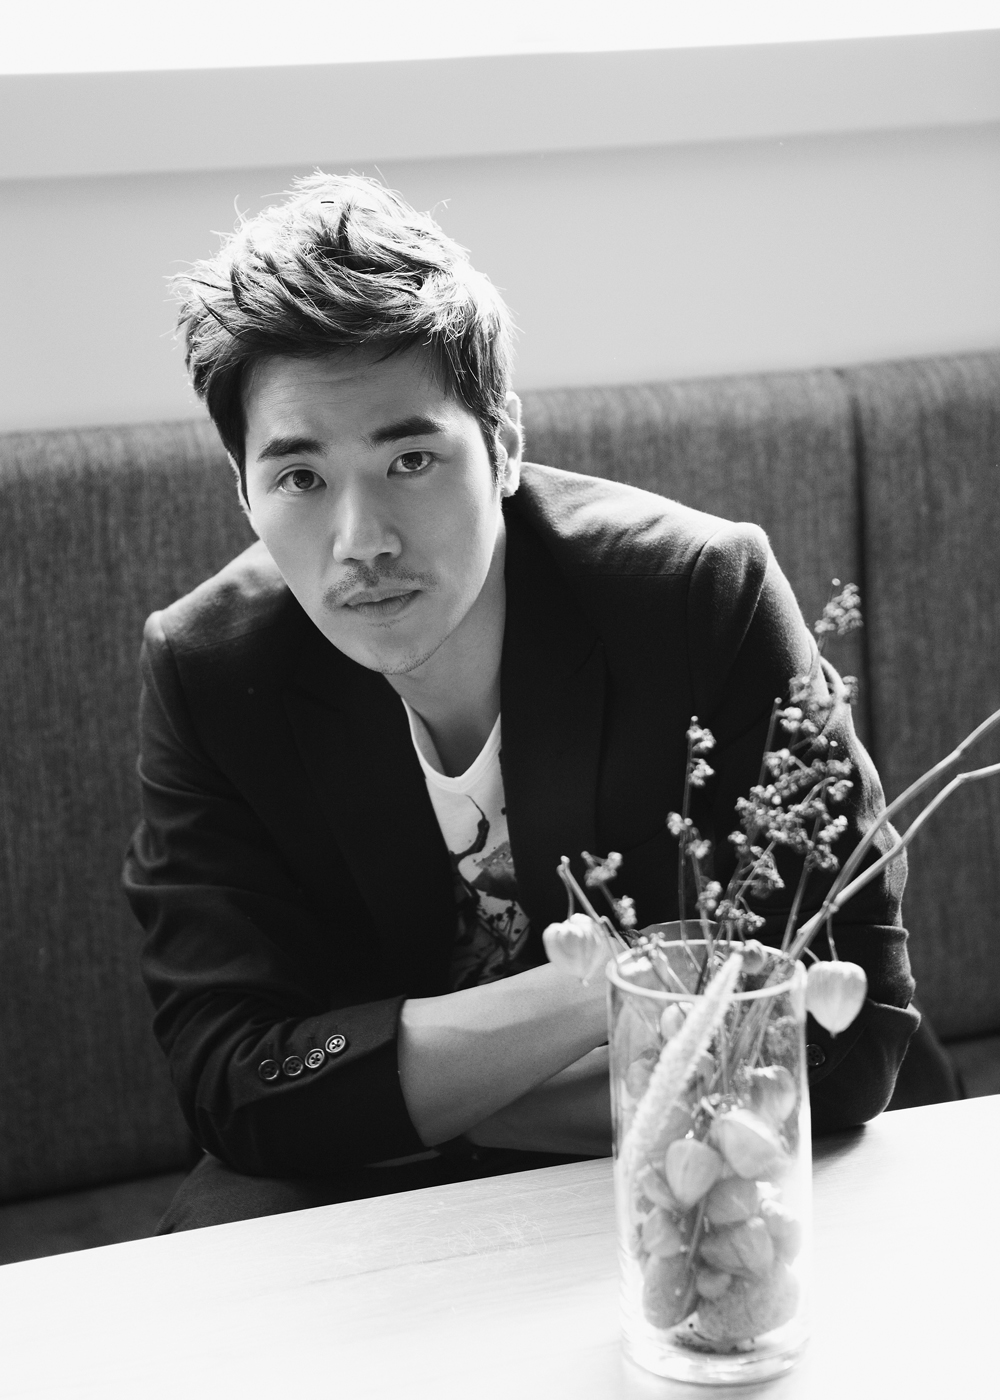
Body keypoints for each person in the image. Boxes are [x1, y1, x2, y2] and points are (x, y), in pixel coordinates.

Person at [123, 174, 952, 1233]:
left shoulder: (700, 595)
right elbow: (232, 1083)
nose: (362, 540)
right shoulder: (206, 668)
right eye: (300, 478)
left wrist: (426, 1103)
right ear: (244, 490)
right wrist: (582, 999)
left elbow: (843, 1034)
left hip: (735, 1160)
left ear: (503, 443)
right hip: (425, 1175)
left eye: (410, 459)